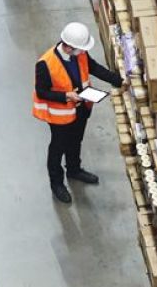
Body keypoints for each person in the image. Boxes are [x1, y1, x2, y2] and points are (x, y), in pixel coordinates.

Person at [33, 22, 124, 204]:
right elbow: (42, 91)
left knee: (76, 141)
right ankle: (57, 183)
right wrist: (66, 95)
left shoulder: (80, 53)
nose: (82, 52)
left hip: (81, 109)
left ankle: (74, 169)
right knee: (57, 148)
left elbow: (94, 68)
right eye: (79, 49)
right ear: (68, 46)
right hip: (60, 115)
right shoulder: (46, 63)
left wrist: (118, 80)